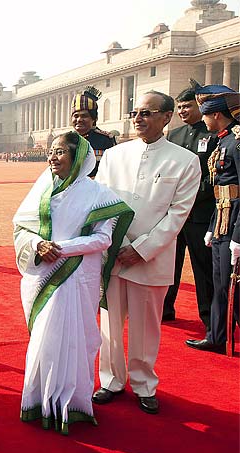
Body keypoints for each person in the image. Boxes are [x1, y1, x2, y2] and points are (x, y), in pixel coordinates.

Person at [14, 131, 133, 434]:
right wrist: (40, 246)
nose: (52, 157)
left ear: (77, 157)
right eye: (50, 152)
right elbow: (21, 229)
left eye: (59, 152)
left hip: (80, 277)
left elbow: (104, 238)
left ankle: (74, 405)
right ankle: (39, 401)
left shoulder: (98, 194)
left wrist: (60, 249)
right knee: (46, 338)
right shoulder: (42, 190)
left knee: (76, 339)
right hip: (46, 275)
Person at [93, 91, 200, 414]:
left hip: (151, 257)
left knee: (145, 326)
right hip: (113, 252)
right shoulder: (115, 155)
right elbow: (102, 202)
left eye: (147, 113)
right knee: (110, 325)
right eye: (135, 113)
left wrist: (141, 249)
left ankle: (143, 383)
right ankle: (111, 380)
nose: (138, 119)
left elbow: (177, 215)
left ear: (167, 117)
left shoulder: (185, 161)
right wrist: (111, 242)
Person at [186, 85, 240, 353]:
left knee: (233, 286)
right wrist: (211, 228)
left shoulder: (237, 141)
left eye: (205, 115)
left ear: (216, 114)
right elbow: (221, 191)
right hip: (220, 221)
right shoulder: (223, 139)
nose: (203, 120)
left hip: (234, 225)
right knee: (220, 283)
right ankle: (217, 336)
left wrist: (238, 237)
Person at [163, 82, 216, 327]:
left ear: (201, 105)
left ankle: (208, 318)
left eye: (188, 106)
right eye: (180, 107)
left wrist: (188, 195)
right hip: (173, 214)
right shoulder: (174, 136)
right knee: (168, 264)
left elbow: (215, 174)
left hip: (200, 212)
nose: (182, 111)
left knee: (202, 268)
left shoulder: (213, 134)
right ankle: (164, 309)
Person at [71, 86, 117, 177]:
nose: (79, 120)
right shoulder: (66, 139)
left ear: (94, 119)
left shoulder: (105, 140)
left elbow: (113, 169)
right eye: (76, 116)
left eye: (84, 116)